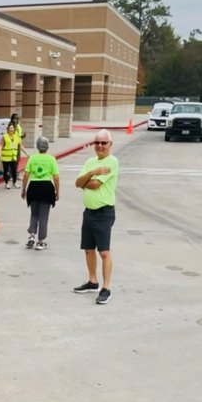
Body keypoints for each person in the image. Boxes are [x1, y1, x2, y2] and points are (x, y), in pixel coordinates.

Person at [74, 129, 118, 304]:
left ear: (110, 145)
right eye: (97, 142)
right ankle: (93, 281)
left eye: (103, 143)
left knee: (104, 252)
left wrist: (86, 179)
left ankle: (106, 288)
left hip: (104, 212)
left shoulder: (112, 162)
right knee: (88, 249)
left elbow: (92, 185)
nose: (100, 146)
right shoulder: (90, 162)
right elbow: (78, 183)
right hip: (89, 212)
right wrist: (92, 172)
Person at [21, 136, 59, 250]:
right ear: (47, 147)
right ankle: (41, 241)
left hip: (34, 187)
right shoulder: (51, 159)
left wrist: (24, 189)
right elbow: (56, 177)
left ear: (37, 146)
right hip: (47, 187)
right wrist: (57, 191)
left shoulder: (32, 158)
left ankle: (32, 235)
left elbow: (26, 174)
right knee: (44, 215)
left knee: (34, 213)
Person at [0, 122, 25, 190]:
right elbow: (0, 145)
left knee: (14, 170)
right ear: (7, 129)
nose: (11, 129)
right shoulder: (4, 136)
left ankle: (14, 182)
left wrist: (27, 154)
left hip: (13, 157)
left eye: (12, 128)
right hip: (6, 157)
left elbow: (21, 146)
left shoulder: (16, 137)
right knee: (6, 170)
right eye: (10, 128)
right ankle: (7, 183)